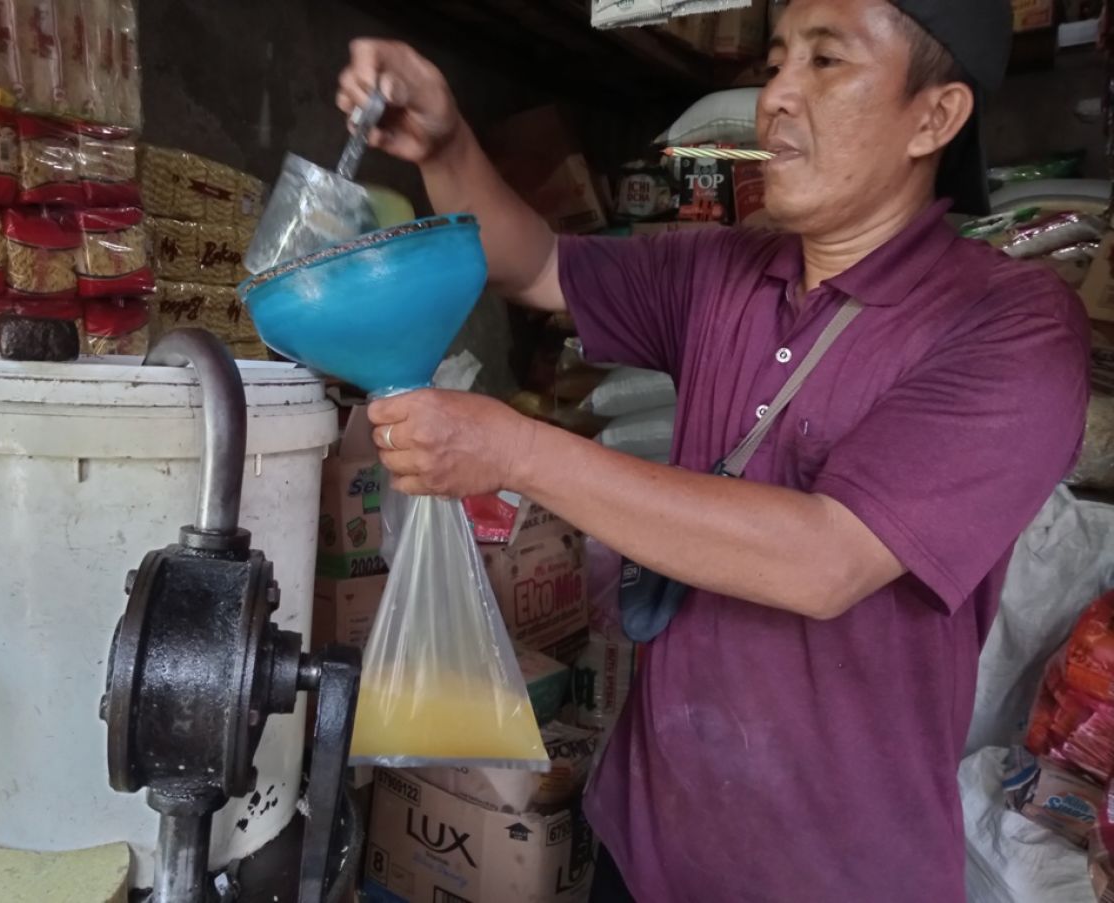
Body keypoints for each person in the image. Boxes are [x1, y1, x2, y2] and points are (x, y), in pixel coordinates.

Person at [337, 0, 1090, 900]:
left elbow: (824, 557)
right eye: (775, 61)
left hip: (832, 876)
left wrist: (514, 449)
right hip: (645, 843)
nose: (775, 95)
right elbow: (533, 263)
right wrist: (447, 144)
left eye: (825, 61)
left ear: (934, 117)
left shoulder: (1008, 326)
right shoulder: (726, 269)